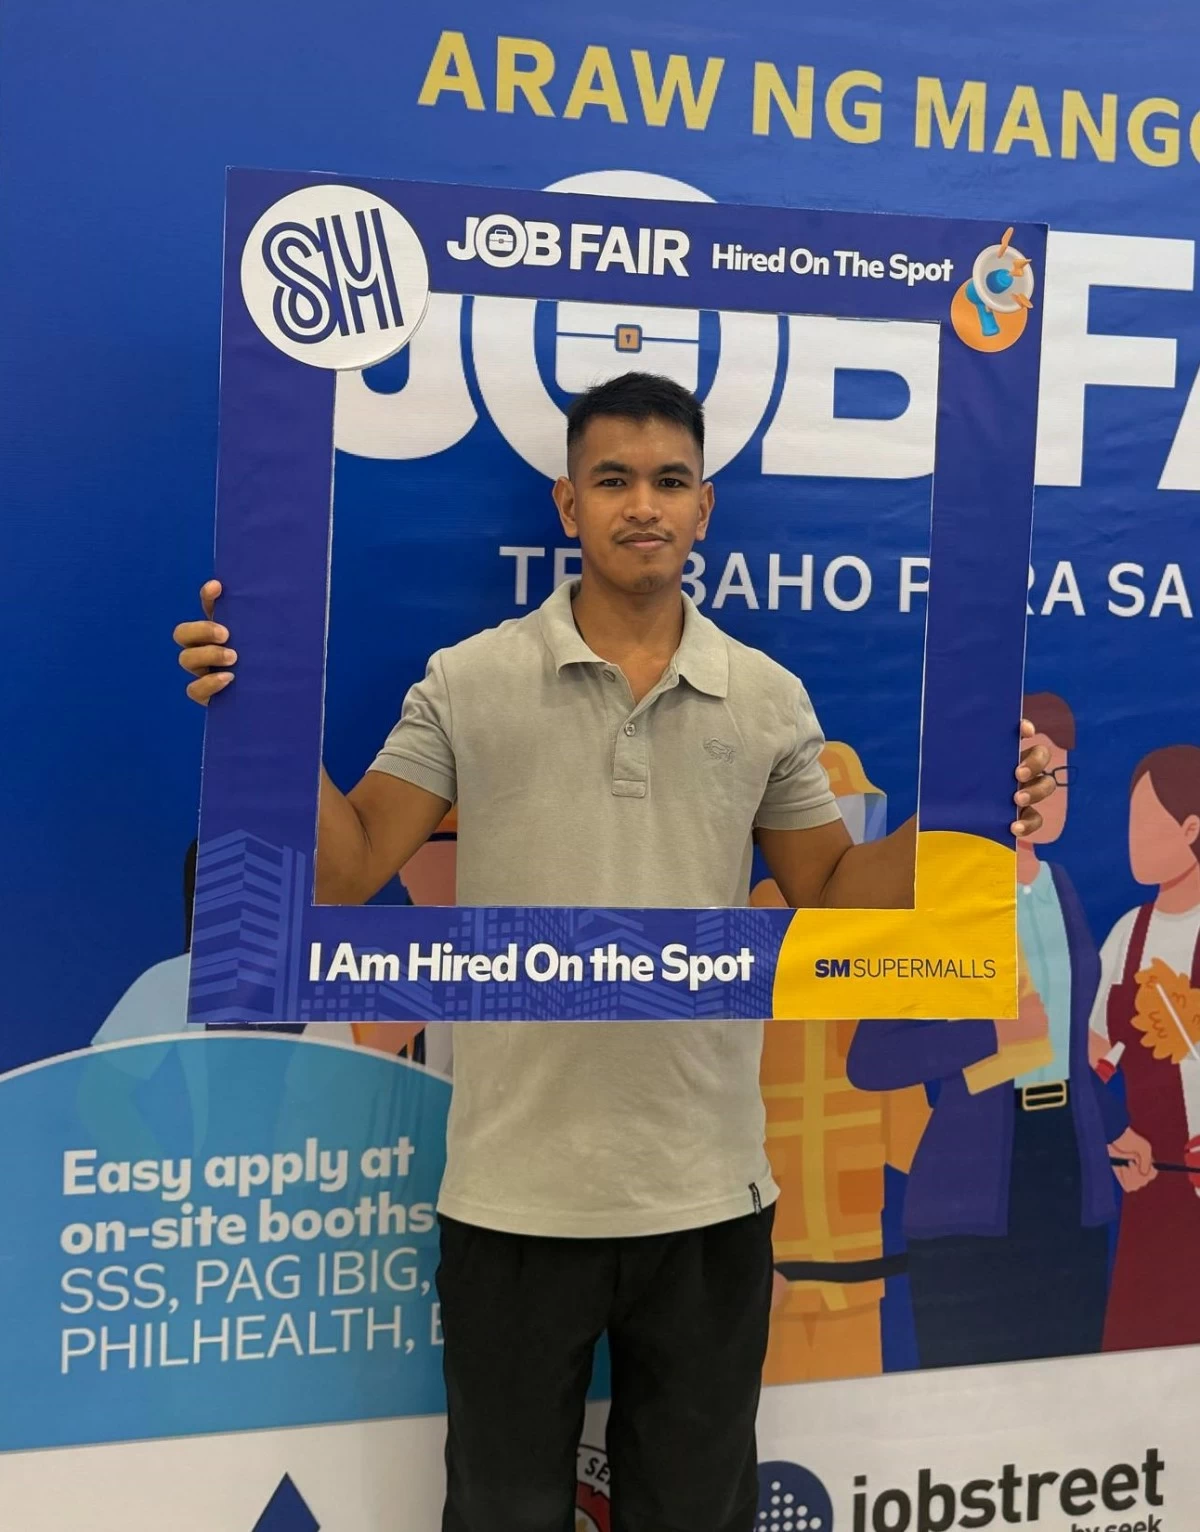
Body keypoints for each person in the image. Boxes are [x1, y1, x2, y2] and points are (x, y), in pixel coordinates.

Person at [174, 372, 1054, 1532]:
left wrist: (973, 818)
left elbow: (834, 889)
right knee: (501, 1514)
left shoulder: (767, 697)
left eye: (670, 481)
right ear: (567, 504)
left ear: (706, 508)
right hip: (512, 1199)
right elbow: (345, 872)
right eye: (615, 479)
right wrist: (258, 712)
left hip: (706, 1194)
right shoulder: (471, 679)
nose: (644, 503)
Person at [846, 693, 1152, 1369]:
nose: (1047, 792)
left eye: (1059, 776)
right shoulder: (940, 899)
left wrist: (1110, 1129)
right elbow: (870, 1058)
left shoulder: (1062, 888)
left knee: (1066, 1382)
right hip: (970, 1188)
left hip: (1067, 1176)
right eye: (1030, 772)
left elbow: (1067, 1049)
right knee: (967, 1396)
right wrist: (988, 1033)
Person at [1089, 744, 1200, 1352]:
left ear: (1190, 829)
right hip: (1153, 1187)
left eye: (1146, 823)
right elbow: (1091, 1059)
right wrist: (1113, 1135)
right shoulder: (1127, 936)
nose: (1132, 839)